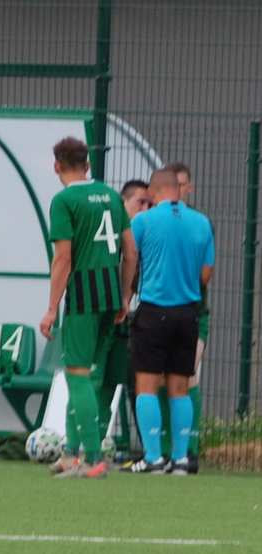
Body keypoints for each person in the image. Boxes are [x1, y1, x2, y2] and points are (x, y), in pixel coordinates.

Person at [40, 137, 137, 479]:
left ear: (57, 166)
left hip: (83, 296)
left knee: (77, 375)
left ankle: (93, 458)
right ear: (88, 164)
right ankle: (69, 454)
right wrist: (124, 296)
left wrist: (52, 308)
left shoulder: (64, 200)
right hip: (110, 295)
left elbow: (63, 259)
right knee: (87, 376)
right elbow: (131, 252)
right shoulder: (111, 196)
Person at [123, 169, 214, 475]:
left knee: (146, 386)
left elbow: (130, 258)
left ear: (153, 190)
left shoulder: (143, 221)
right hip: (188, 313)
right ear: (179, 189)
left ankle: (152, 457)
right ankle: (180, 459)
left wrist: (126, 296)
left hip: (154, 311)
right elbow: (206, 274)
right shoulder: (201, 222)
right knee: (180, 387)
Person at [160, 162, 207, 472]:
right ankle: (164, 451)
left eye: (182, 184)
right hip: (160, 313)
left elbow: (204, 271)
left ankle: (189, 449)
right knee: (160, 381)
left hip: (192, 312)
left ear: (189, 188)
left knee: (188, 377)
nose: (177, 190)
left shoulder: (199, 224)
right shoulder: (156, 221)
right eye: (172, 184)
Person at [97, 180, 150, 452]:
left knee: (139, 384)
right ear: (123, 203)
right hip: (110, 320)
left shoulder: (149, 237)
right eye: (140, 203)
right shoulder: (108, 238)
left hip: (139, 322)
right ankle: (93, 443)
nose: (145, 209)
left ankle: (148, 449)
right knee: (103, 382)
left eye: (149, 204)